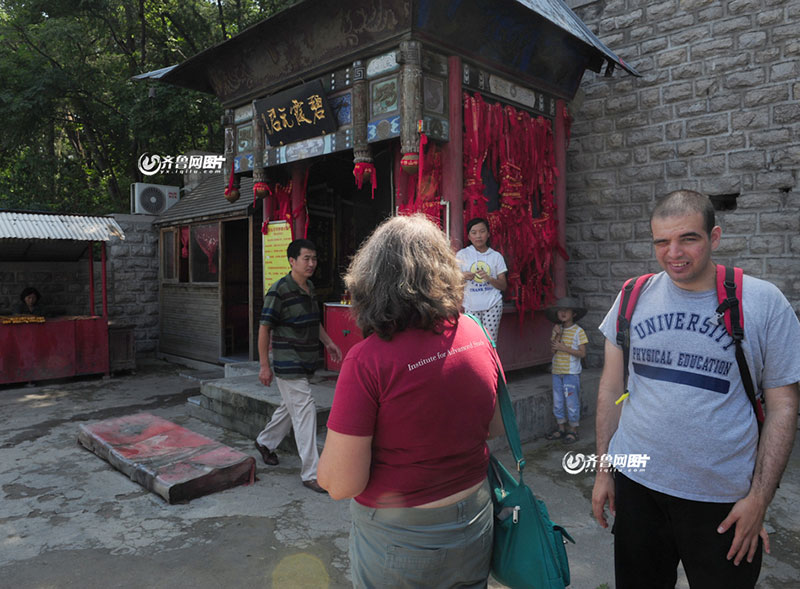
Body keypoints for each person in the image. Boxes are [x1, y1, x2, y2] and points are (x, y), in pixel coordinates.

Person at [591, 190, 800, 589]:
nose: (674, 253)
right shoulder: (632, 297)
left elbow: (783, 406)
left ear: (715, 237)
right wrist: (604, 472)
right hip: (637, 488)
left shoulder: (763, 303)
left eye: (688, 238)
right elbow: (611, 388)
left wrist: (759, 500)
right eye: (661, 242)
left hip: (722, 500)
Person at [318, 214, 505, 588]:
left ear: (372, 279)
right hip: (476, 519)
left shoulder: (367, 359)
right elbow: (496, 427)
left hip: (402, 538)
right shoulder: (475, 332)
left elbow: (340, 483)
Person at [254, 238, 342, 494]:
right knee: (305, 410)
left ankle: (265, 442)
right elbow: (264, 328)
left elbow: (314, 322)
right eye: (306, 258)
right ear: (292, 261)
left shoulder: (310, 287)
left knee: (289, 407)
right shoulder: (278, 290)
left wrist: (329, 343)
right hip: (286, 360)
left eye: (314, 259)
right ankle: (311, 473)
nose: (311, 263)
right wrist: (263, 366)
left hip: (305, 360)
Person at [456, 217, 508, 343]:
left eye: (482, 231)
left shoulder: (496, 257)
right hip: (470, 305)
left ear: (488, 234)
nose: (478, 236)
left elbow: (503, 286)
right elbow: (452, 279)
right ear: (468, 236)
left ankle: (491, 363)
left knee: (490, 341)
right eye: (474, 233)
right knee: (472, 342)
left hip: (492, 305)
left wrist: (489, 278)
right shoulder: (462, 255)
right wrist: (463, 276)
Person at [544, 296, 588, 444]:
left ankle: (573, 430)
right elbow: (553, 351)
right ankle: (561, 428)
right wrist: (556, 335)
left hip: (571, 373)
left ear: (573, 314)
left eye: (566, 311)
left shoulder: (578, 332)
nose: (562, 313)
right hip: (557, 371)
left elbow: (582, 353)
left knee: (571, 401)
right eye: (560, 311)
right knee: (558, 401)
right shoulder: (557, 329)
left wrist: (565, 348)